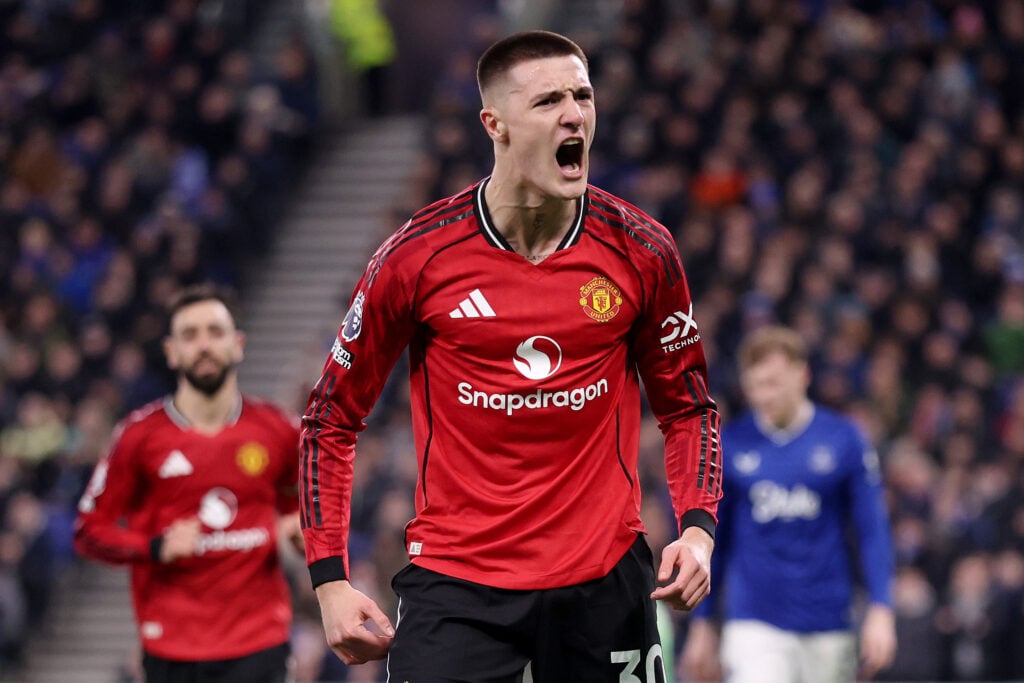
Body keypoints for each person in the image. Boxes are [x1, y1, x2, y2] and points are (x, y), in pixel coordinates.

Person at [300, 29, 721, 681]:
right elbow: (329, 420)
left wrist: (697, 528)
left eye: (582, 95)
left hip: (604, 579)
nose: (575, 114)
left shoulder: (642, 249)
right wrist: (329, 579)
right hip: (458, 585)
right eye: (549, 100)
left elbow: (690, 408)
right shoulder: (417, 257)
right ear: (493, 123)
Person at [74, 284, 303, 683]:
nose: (204, 345)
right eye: (190, 335)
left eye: (215, 332)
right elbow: (89, 531)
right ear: (171, 351)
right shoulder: (138, 436)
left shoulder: (279, 430)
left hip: (260, 641)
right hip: (173, 648)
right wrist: (154, 547)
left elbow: (306, 509)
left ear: (238, 343)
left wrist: (301, 529)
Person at [682, 325, 897, 683]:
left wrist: (881, 607)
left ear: (803, 374)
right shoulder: (732, 445)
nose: (764, 395)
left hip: (829, 620)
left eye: (774, 382)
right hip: (754, 622)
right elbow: (715, 542)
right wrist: (702, 622)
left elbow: (872, 529)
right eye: (755, 385)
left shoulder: (844, 439)